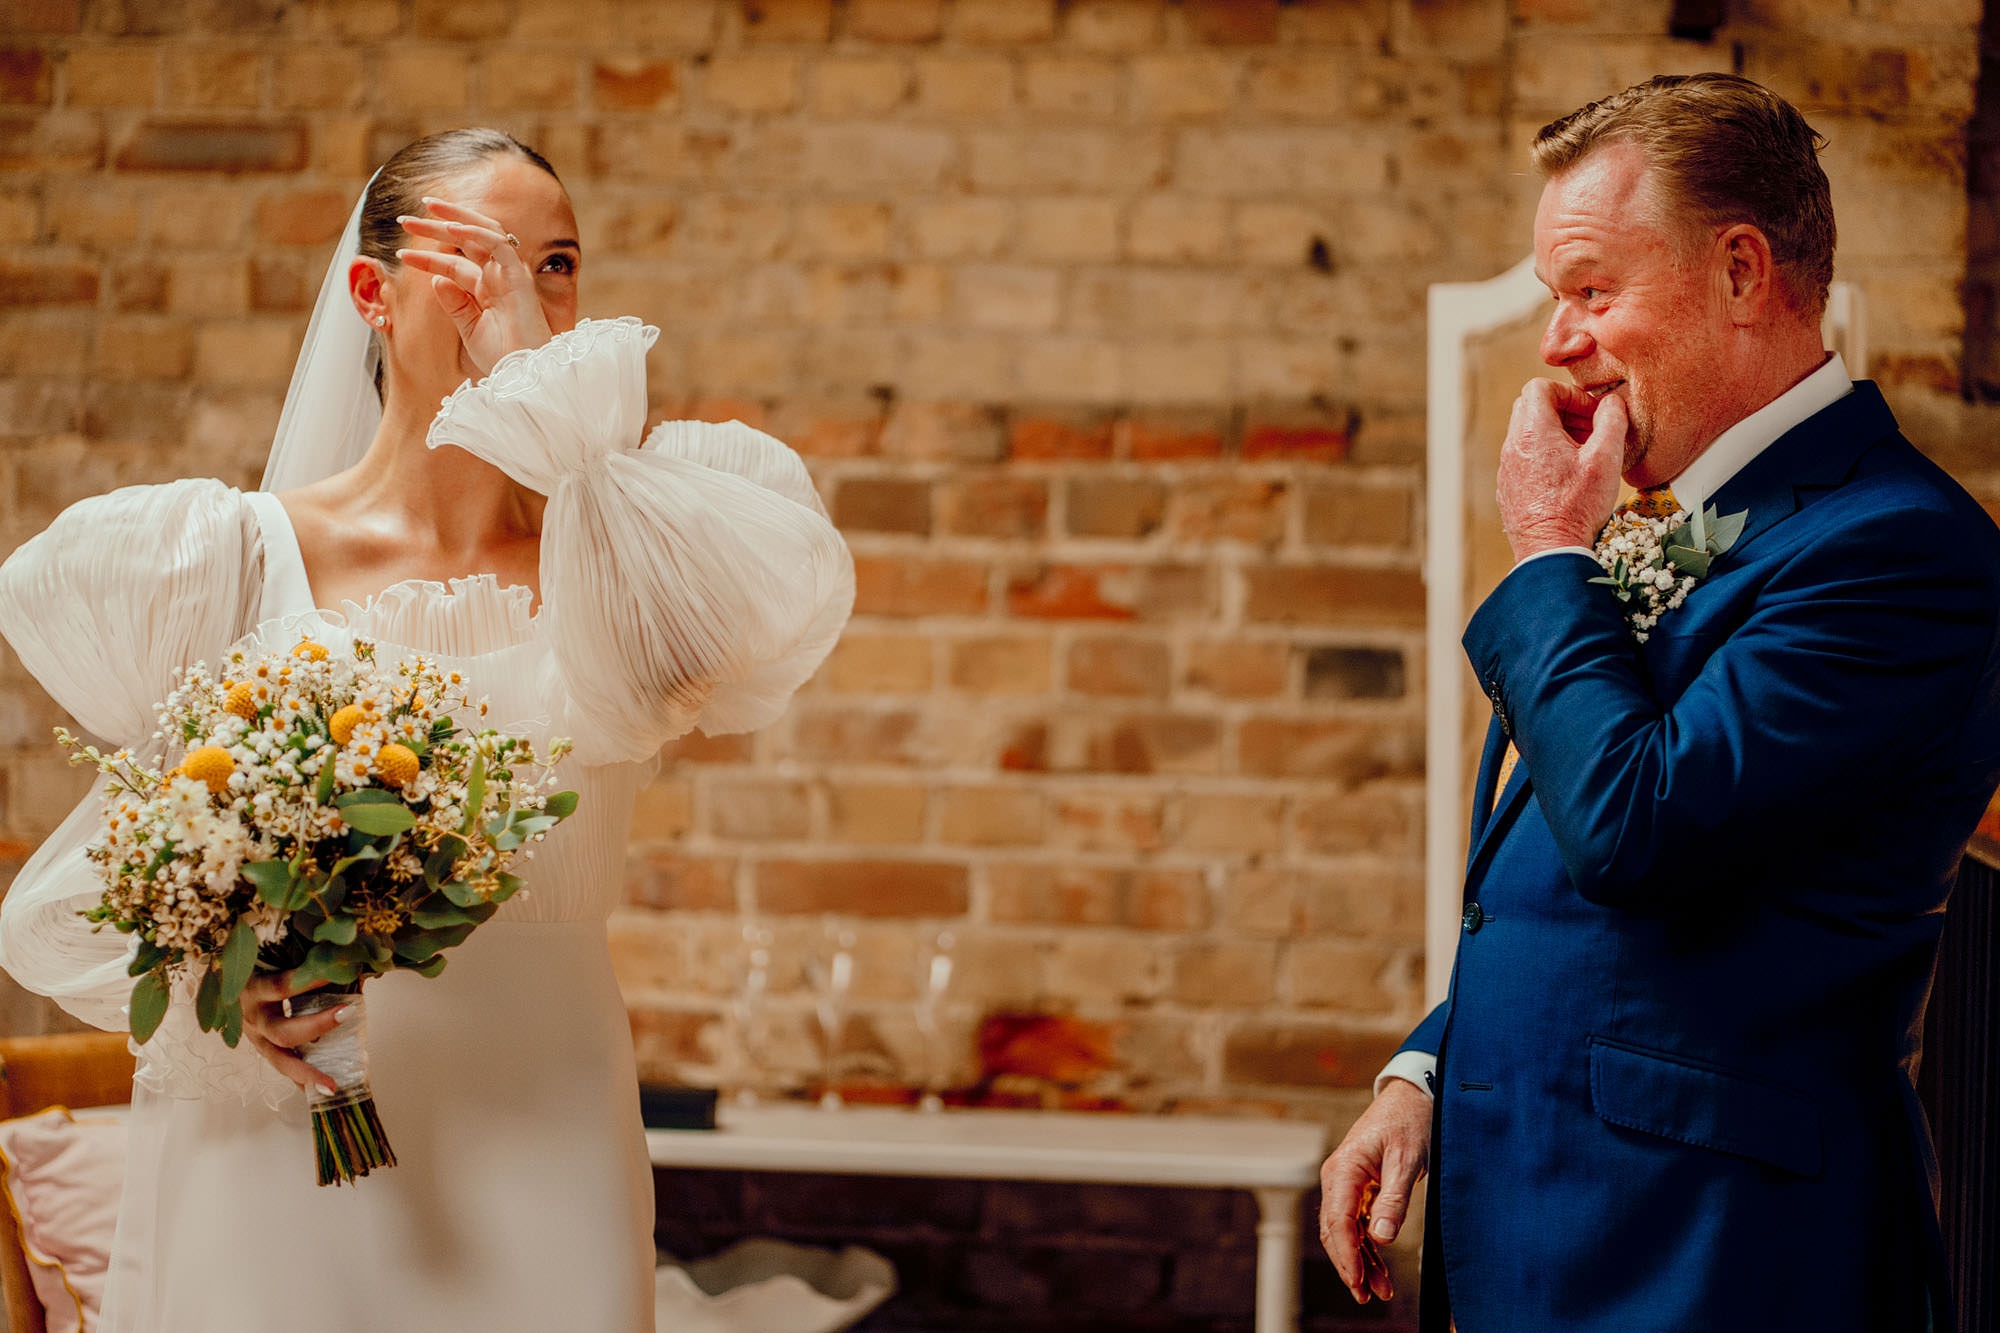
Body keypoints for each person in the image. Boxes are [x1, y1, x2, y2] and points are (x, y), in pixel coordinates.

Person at [0, 128, 853, 1331]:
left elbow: (713, 659)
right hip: (290, 1137)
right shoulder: (221, 559)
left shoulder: (623, 564)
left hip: (545, 1111)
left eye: (553, 264)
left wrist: (533, 387)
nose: (518, 295)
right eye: (474, 261)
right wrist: (227, 988)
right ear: (371, 292)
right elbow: (139, 877)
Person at [1317, 73, 2000, 1332]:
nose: (1554, 341)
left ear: (1741, 273)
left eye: (1590, 290)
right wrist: (1424, 1067)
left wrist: (1543, 548)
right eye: (1552, 298)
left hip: (1710, 1261)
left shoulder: (1893, 547)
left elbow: (1641, 830)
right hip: (1551, 1224)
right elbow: (1566, 896)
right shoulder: (1693, 527)